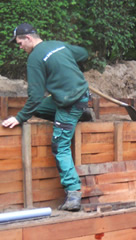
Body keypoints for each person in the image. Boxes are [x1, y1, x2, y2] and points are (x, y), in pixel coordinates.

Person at [2, 23, 93, 211]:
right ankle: (80, 115)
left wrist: (19, 118)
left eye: (20, 43)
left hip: (70, 102)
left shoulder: (35, 58)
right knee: (40, 108)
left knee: (60, 145)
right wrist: (72, 64)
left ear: (28, 38)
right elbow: (83, 53)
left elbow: (35, 96)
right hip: (79, 96)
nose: (20, 48)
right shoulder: (58, 45)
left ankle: (74, 193)